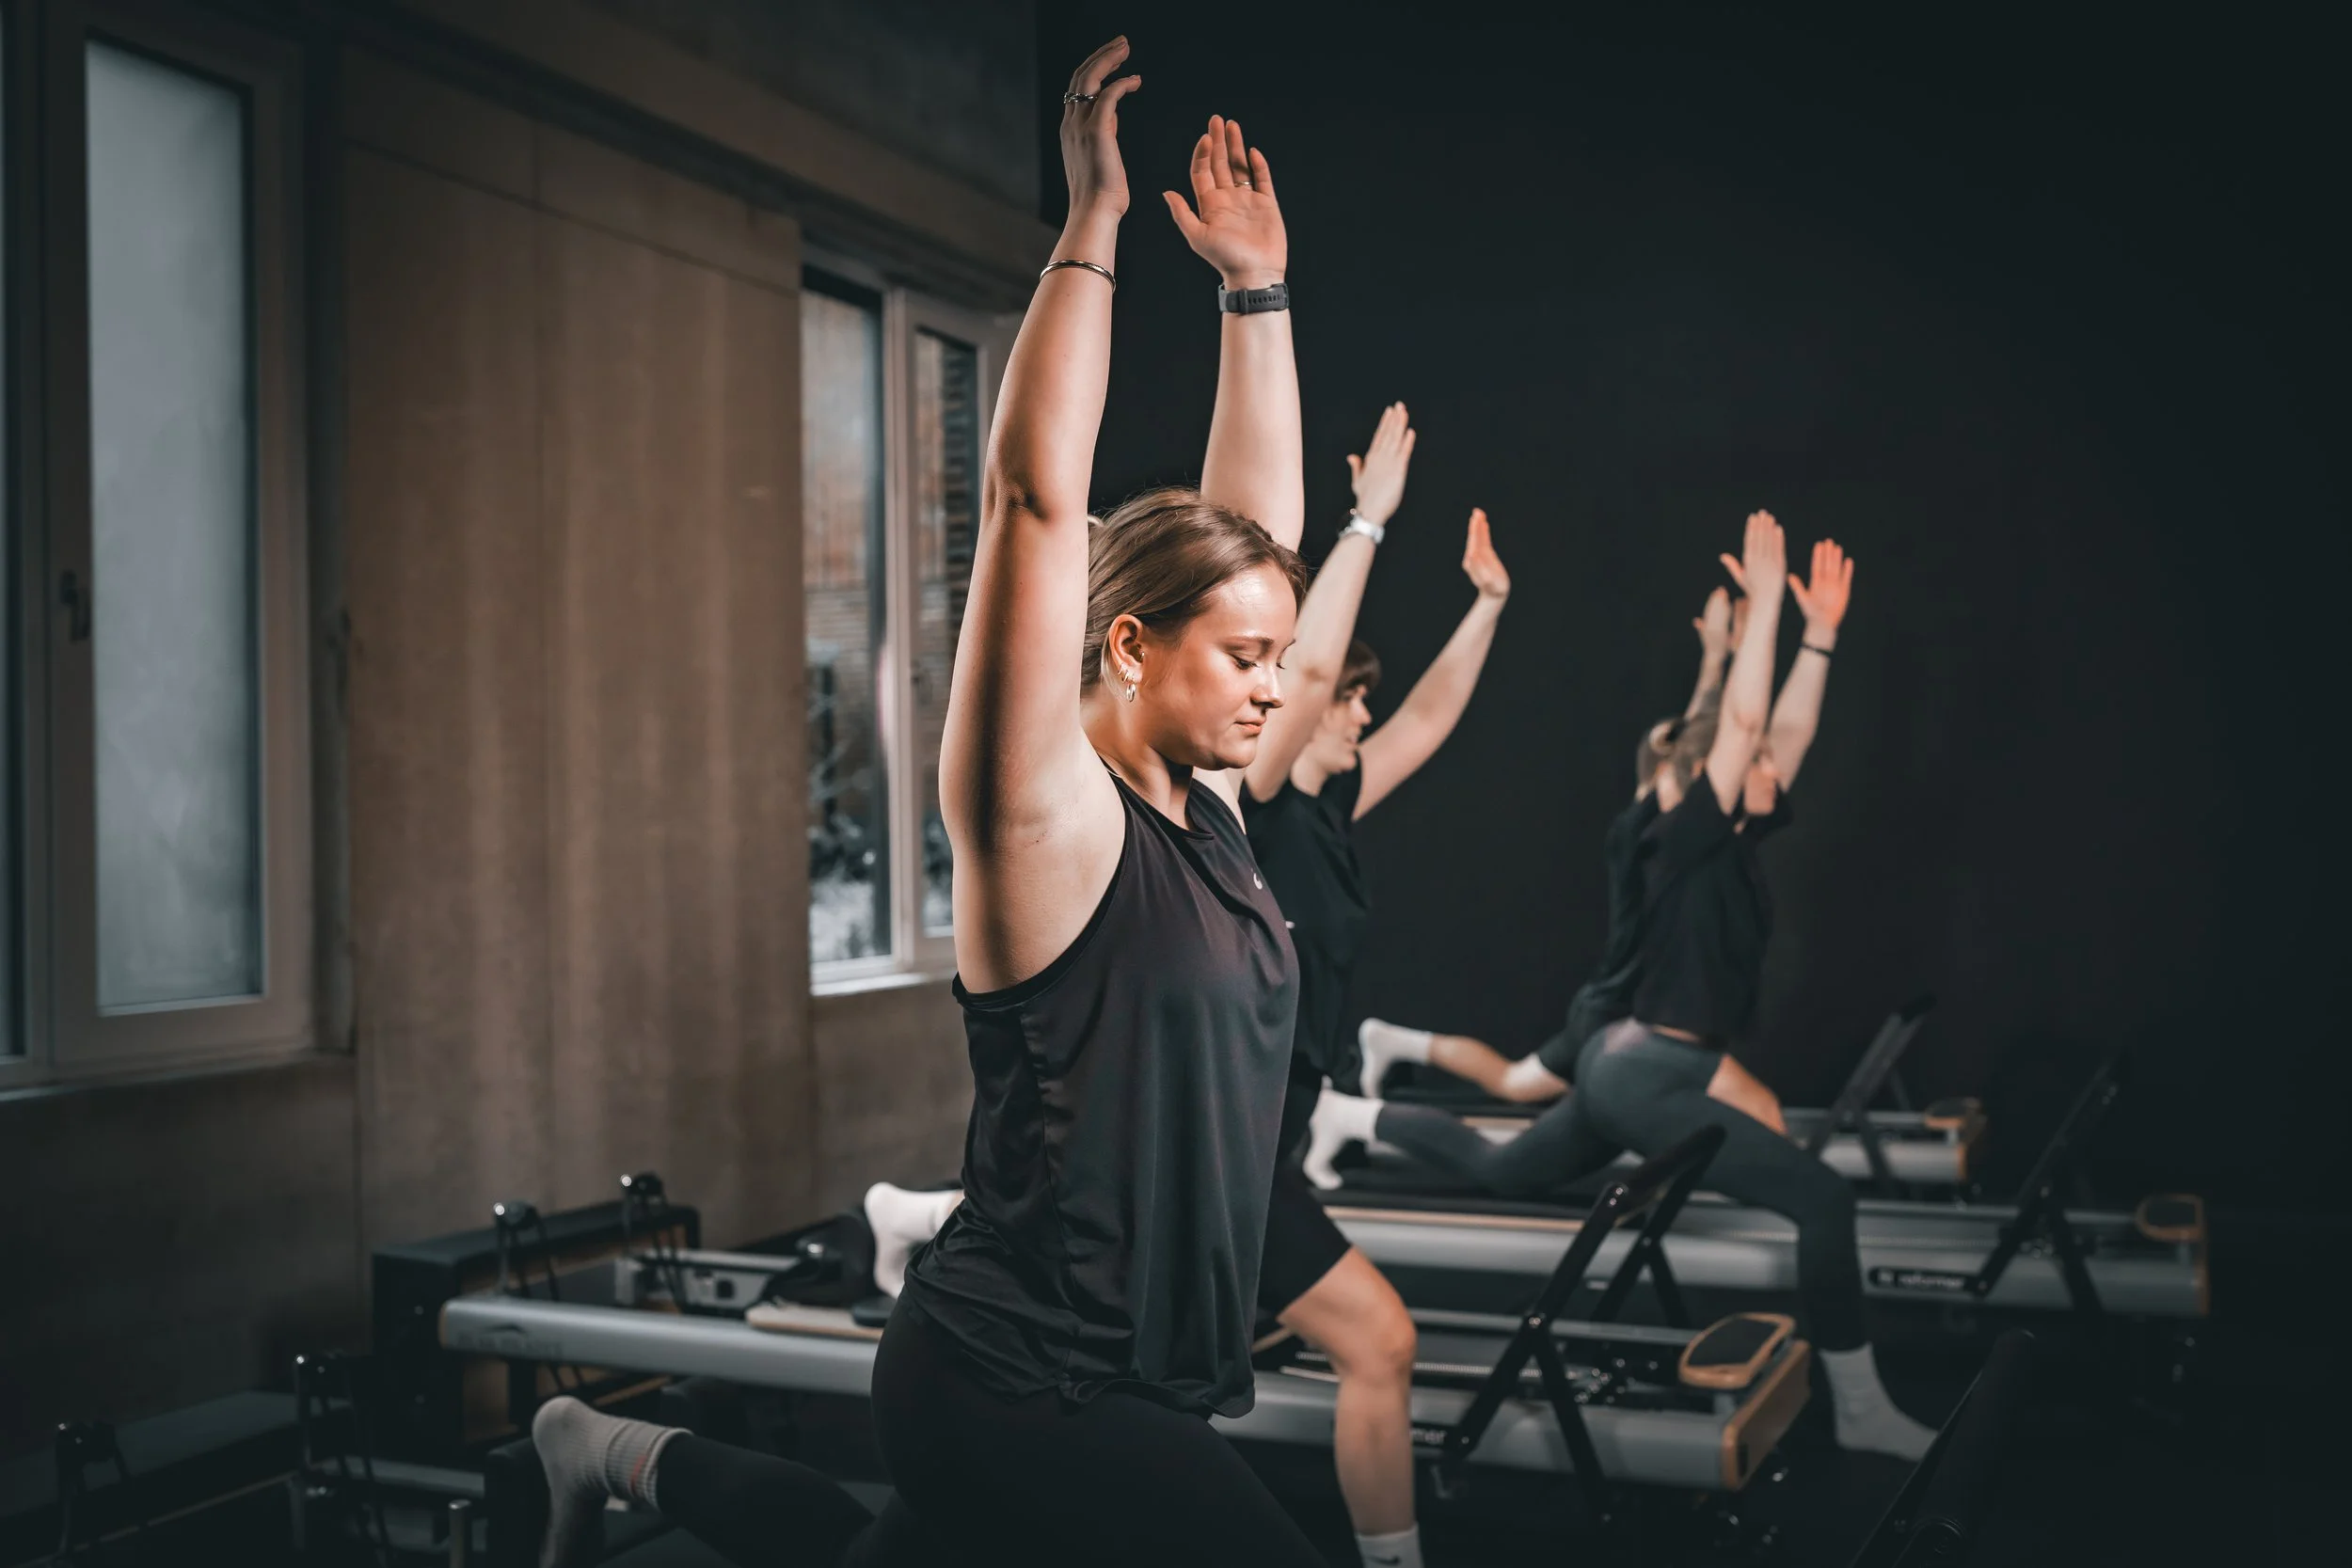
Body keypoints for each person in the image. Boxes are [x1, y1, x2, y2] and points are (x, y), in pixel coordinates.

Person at [527, 41, 1331, 1565]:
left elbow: (1257, 540)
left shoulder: (1205, 801)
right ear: (1123, 644)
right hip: (1016, 1382)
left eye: (1276, 659)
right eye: (1244, 656)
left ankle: (609, 1448)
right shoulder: (1048, 824)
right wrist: (1090, 223)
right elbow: (1034, 497)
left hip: (1106, 1374)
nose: (1271, 684)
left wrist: (1256, 296)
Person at [1304, 515, 1938, 1461]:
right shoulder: (1683, 834)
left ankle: (1349, 1119)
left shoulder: (1716, 836)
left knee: (1506, 1166)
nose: (1773, 765)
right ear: (1694, 781)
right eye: (1751, 761)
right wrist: (1763, 617)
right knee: (1824, 1200)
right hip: (1644, 1073)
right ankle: (1858, 1407)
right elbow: (1747, 728)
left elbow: (1780, 731)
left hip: (1628, 1062)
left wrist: (1818, 636)